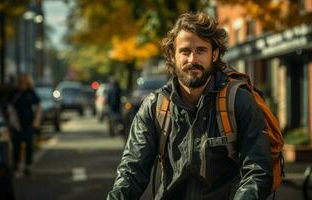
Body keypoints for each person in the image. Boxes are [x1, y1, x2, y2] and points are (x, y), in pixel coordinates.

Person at [107, 12, 272, 200]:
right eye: (185, 51)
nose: (192, 60)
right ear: (172, 55)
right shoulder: (155, 106)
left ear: (214, 54)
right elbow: (131, 172)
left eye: (201, 50)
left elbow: (257, 172)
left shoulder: (239, 101)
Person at [8, 74, 41, 175]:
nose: (22, 83)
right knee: (17, 145)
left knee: (29, 145)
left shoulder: (31, 92)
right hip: (17, 123)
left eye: (24, 81)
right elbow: (10, 107)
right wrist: (13, 121)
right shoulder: (15, 93)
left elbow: (38, 105)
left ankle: (28, 165)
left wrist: (36, 120)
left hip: (29, 123)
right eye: (21, 81)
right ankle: (16, 164)